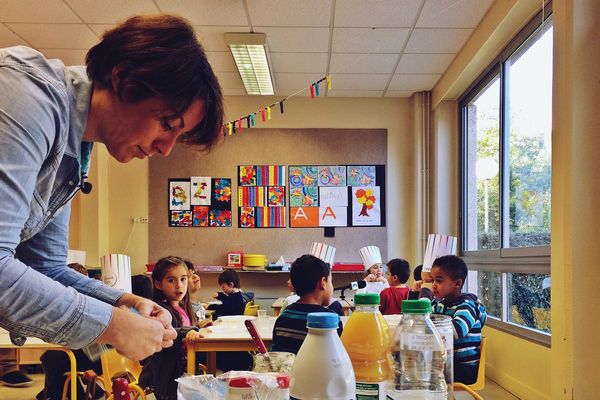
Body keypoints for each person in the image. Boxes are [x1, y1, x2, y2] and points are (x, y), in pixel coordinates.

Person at [0, 14, 223, 360]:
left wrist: (126, 303)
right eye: (167, 124)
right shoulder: (28, 97)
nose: (165, 148)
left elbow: (46, 268)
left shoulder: (76, 151)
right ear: (122, 78)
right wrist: (112, 325)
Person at [139, 256, 203, 400]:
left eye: (183, 279)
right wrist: (190, 331)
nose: (179, 285)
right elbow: (169, 332)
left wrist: (199, 327)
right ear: (158, 284)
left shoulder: (183, 307)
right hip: (168, 379)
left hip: (184, 371)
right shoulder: (159, 310)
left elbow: (185, 327)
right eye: (171, 280)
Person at [418, 255, 487, 385]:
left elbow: (454, 331)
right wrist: (420, 293)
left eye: (438, 281)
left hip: (464, 368)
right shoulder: (442, 304)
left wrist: (425, 294)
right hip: (447, 362)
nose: (433, 285)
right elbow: (422, 317)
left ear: (457, 283)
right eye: (432, 280)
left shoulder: (467, 306)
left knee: (421, 373)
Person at [271, 255, 343, 354]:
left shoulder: (284, 316)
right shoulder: (331, 321)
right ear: (323, 282)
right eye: (331, 281)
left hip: (287, 369)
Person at [184, 260, 212, 328]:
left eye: (193, 272)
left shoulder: (195, 302)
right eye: (189, 276)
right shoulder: (183, 307)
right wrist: (198, 326)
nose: (194, 276)